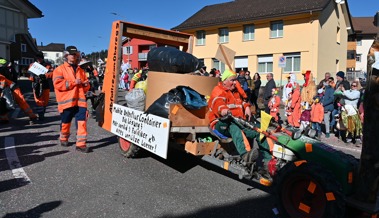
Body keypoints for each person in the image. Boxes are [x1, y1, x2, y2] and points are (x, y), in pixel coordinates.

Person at [208, 69, 271, 174]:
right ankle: (245, 155)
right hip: (220, 123)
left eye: (235, 80)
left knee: (259, 130)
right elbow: (217, 101)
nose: (235, 82)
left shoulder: (235, 92)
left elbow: (242, 102)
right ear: (225, 81)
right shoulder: (218, 90)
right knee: (233, 127)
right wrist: (223, 109)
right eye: (232, 80)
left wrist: (246, 106)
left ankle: (268, 161)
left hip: (238, 121)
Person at [53, 46, 90, 153]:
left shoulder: (80, 70)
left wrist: (86, 85)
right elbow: (58, 84)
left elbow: (86, 85)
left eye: (75, 54)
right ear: (66, 56)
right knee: (66, 122)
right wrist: (74, 83)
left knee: (82, 122)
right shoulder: (59, 69)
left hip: (80, 101)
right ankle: (64, 138)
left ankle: (81, 144)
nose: (74, 56)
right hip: (67, 102)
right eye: (71, 54)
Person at [28, 51, 53, 120]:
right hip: (36, 85)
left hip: (45, 85)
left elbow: (52, 73)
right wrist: (32, 77)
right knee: (38, 101)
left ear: (42, 58)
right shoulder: (32, 65)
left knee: (45, 101)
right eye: (37, 57)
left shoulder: (47, 65)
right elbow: (29, 74)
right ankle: (40, 115)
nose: (39, 59)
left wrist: (45, 76)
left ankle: (42, 113)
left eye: (40, 57)